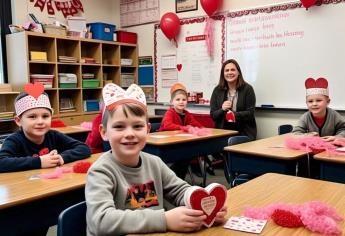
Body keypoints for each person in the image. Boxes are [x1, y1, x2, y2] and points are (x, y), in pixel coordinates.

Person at [85, 83, 227, 235]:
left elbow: (179, 190)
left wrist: (204, 202)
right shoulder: (100, 171)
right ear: (104, 132)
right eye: (119, 127)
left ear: (147, 129)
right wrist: (164, 220)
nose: (130, 133)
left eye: (137, 126)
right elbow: (101, 221)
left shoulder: (154, 163)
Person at [0, 88, 91, 173]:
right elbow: (2, 162)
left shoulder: (54, 135)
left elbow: (84, 148)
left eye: (45, 116)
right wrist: (39, 161)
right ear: (18, 121)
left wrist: (62, 157)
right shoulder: (14, 140)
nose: (40, 122)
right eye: (32, 117)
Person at [158, 83, 204, 179]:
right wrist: (185, 128)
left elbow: (197, 124)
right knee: (184, 157)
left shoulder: (187, 114)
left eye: (184, 100)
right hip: (167, 144)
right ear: (172, 101)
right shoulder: (170, 112)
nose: (181, 102)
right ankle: (171, 178)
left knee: (187, 155)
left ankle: (176, 179)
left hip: (179, 143)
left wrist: (203, 129)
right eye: (178, 100)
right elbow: (167, 125)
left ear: (187, 101)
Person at [210, 59, 257, 141]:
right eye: (226, 70)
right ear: (223, 74)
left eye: (233, 70)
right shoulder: (217, 90)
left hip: (243, 132)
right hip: (223, 132)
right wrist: (222, 109)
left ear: (238, 72)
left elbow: (250, 113)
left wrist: (234, 115)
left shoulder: (248, 89)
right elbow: (213, 115)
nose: (229, 73)